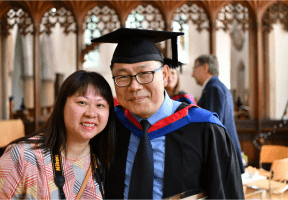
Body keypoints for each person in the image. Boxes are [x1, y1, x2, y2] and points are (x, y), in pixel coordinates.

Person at [92, 28, 244, 199]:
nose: (134, 86)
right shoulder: (108, 127)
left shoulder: (206, 129)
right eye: (122, 77)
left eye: (145, 74)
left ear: (164, 75)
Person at [0, 70, 115, 199]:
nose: (91, 113)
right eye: (82, 102)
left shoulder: (105, 160)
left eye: (100, 105)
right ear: (61, 106)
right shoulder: (23, 157)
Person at [192, 54, 245, 173]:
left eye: (194, 69)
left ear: (205, 67)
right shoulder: (218, 87)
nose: (193, 74)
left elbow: (212, 126)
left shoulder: (213, 88)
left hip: (221, 155)